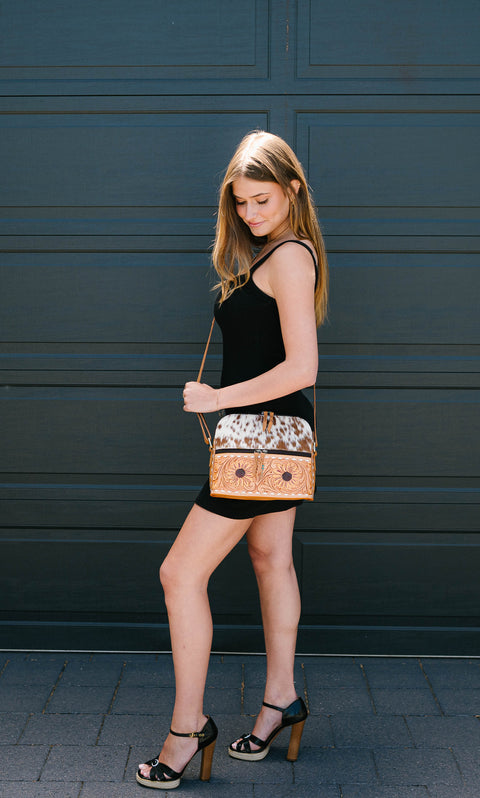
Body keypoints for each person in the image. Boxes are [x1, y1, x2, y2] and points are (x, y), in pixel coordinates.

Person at [136, 130, 330, 790]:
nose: (250, 213)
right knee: (270, 558)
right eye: (242, 203)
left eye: (263, 200)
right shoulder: (266, 253)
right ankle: (281, 699)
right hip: (265, 436)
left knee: (178, 573)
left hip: (263, 437)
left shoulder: (292, 258)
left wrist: (217, 398)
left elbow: (302, 367)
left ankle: (187, 727)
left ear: (293, 190)